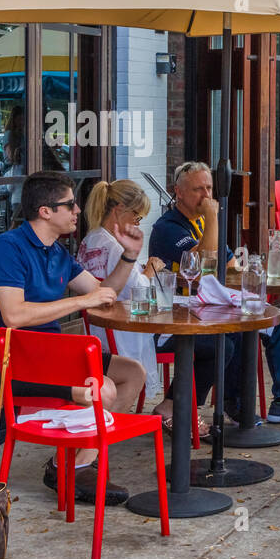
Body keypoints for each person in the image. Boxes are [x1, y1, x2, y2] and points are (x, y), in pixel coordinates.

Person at [0, 171, 147, 506]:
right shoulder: (7, 249)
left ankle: (73, 465)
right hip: (5, 361)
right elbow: (15, 315)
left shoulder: (57, 252)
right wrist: (79, 301)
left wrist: (129, 255)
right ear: (45, 211)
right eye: (70, 205)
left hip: (48, 355)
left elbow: (103, 293)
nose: (78, 210)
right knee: (102, 389)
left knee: (133, 373)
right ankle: (73, 470)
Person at [149, 161, 280, 425]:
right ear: (179, 192)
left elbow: (231, 268)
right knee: (236, 332)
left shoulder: (205, 224)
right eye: (198, 189)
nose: (207, 196)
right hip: (181, 314)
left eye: (209, 187)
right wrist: (212, 219)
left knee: (279, 321)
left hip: (212, 306)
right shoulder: (168, 228)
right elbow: (203, 266)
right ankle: (236, 406)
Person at [76, 179, 185, 425]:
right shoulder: (115, 247)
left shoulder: (90, 240)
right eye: (137, 217)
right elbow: (138, 291)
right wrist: (150, 269)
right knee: (205, 346)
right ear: (119, 210)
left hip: (99, 333)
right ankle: (174, 410)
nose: (138, 224)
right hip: (124, 335)